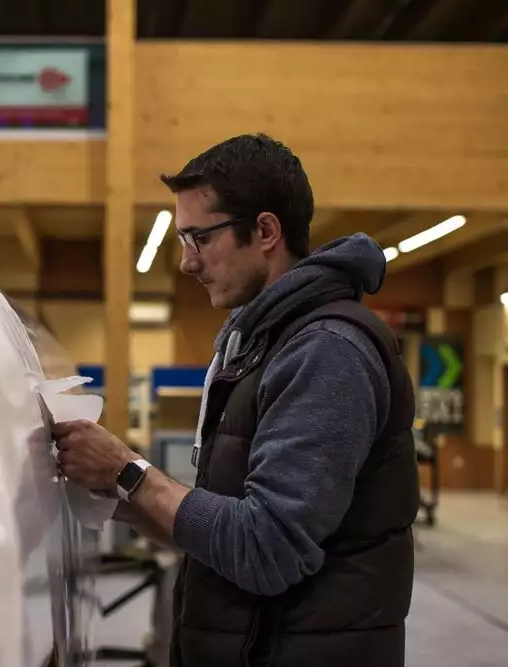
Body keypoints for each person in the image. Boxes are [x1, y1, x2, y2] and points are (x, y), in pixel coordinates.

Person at [52, 133, 419, 667]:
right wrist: (106, 491)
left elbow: (267, 548)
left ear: (265, 230)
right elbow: (216, 527)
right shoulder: (262, 342)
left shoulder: (325, 351)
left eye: (198, 238)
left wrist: (129, 473)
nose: (187, 262)